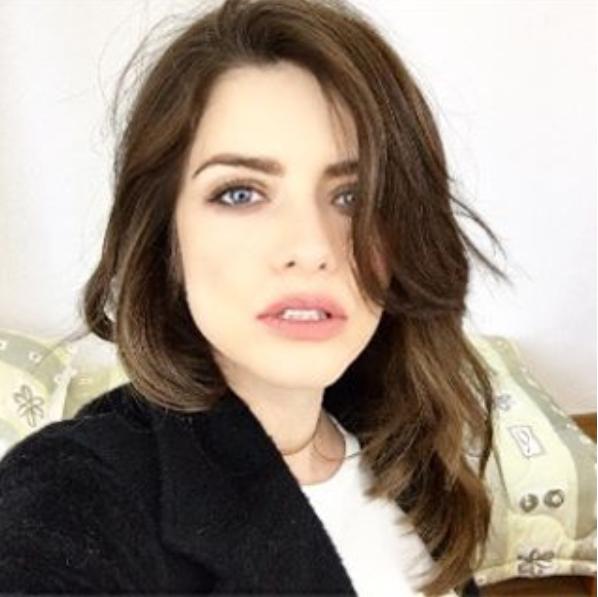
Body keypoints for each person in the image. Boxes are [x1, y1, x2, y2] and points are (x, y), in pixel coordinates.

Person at [0, 0, 510, 594]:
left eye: (353, 196)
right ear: (166, 234)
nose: (311, 247)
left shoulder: (405, 453)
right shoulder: (78, 487)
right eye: (240, 193)